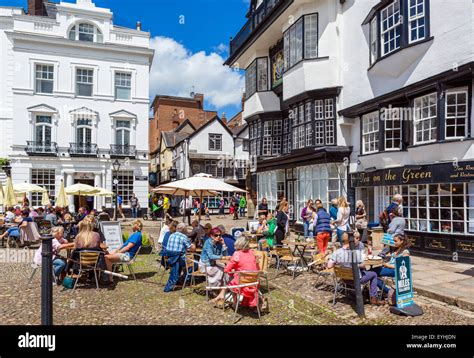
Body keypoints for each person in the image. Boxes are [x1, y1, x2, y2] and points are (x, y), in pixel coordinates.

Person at [327, 232, 385, 305]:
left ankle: (358, 292)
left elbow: (329, 266)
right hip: (356, 279)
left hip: (344, 279)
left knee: (361, 271)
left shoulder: (337, 252)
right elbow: (363, 265)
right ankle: (374, 298)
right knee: (373, 274)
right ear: (351, 240)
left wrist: (339, 263)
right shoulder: (355, 253)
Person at [218, 237, 260, 309]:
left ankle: (235, 303)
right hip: (254, 281)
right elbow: (256, 267)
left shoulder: (237, 254)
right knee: (237, 278)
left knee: (231, 282)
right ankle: (248, 303)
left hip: (242, 282)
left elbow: (227, 269)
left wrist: (232, 274)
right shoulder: (252, 252)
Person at [372, 234, 410, 302]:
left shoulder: (405, 252)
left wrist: (387, 265)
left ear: (402, 241)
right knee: (371, 272)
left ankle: (387, 291)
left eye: (396, 241)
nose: (394, 242)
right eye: (393, 241)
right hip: (388, 267)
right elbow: (383, 253)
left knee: (373, 273)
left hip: (395, 270)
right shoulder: (394, 248)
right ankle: (386, 291)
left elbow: (402, 266)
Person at [199, 227, 228, 304]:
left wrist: (223, 244)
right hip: (205, 264)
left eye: (219, 235)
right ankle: (213, 289)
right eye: (216, 235)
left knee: (226, 270)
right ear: (211, 235)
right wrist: (222, 257)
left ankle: (220, 289)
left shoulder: (218, 243)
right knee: (220, 270)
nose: (218, 237)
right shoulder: (207, 243)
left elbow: (224, 254)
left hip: (213, 263)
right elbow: (211, 256)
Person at [163, 223, 195, 292]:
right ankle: (185, 280)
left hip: (170, 258)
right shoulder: (183, 237)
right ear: (183, 229)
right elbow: (192, 249)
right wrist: (193, 244)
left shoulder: (171, 235)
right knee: (193, 264)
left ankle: (179, 279)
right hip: (178, 258)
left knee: (179, 263)